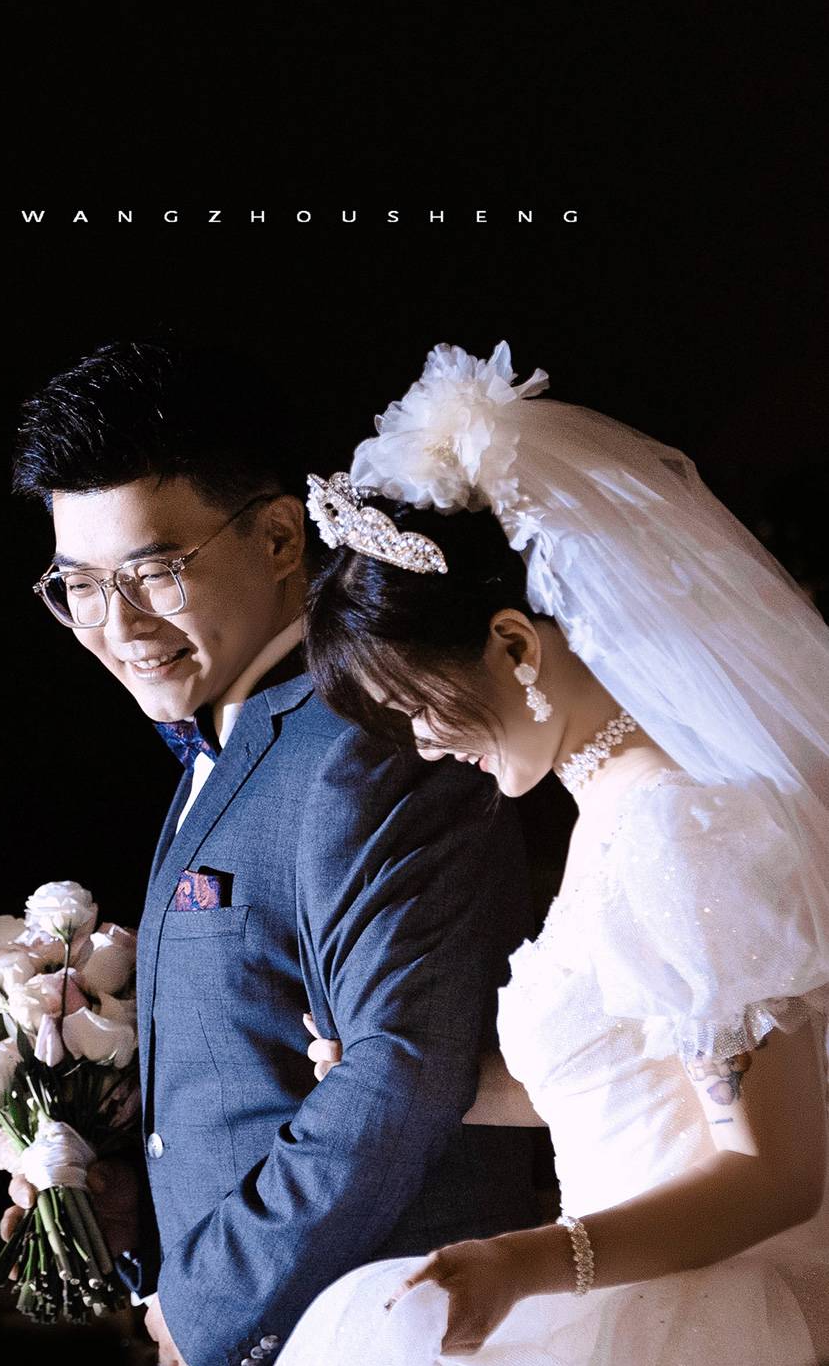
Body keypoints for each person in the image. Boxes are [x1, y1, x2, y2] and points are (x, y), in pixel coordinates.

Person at [277, 341, 829, 1365]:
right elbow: (639, 1089)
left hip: (692, 1310)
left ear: (514, 644)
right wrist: (396, 1074)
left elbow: (776, 1175)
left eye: (420, 706)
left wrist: (524, 1261)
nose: (425, 744)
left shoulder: (675, 830)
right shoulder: (609, 815)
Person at [2, 339, 547, 1366]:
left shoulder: (371, 739)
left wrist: (201, 1303)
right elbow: (252, 1076)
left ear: (281, 537)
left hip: (401, 1326)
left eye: (152, 572)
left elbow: (402, 1073)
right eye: (79, 586)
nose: (118, 626)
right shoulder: (222, 741)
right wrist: (131, 1203)